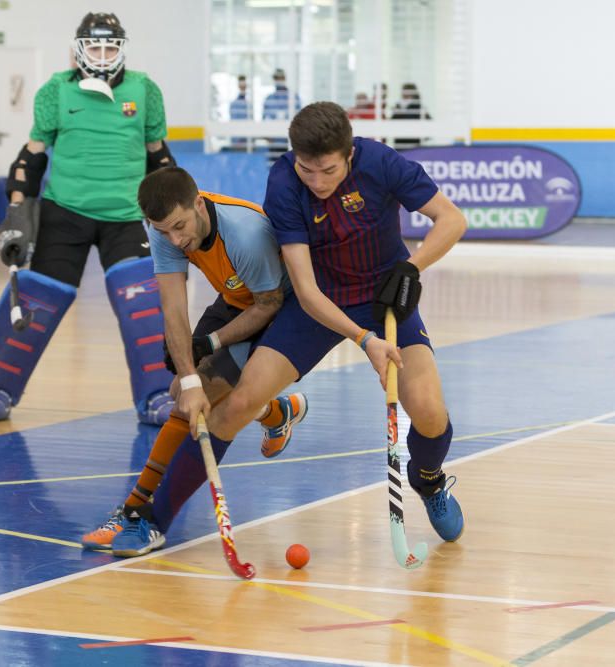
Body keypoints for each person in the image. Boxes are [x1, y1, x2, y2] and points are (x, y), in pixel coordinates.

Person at [109, 101, 468, 557]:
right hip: (316, 303)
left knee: (429, 410)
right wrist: (364, 341)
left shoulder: (381, 162)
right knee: (237, 403)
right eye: (306, 170)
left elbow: (452, 220)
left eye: (328, 171)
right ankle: (154, 522)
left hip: (384, 298)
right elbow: (304, 287)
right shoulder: (284, 183)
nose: (316, 183)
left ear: (350, 155)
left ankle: (429, 480)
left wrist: (411, 268)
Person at [0, 12, 178, 426]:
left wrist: (178, 214)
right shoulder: (55, 91)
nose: (102, 53)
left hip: (127, 217)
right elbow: (31, 157)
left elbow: (159, 156)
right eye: (94, 46)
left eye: (110, 46)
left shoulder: (144, 90)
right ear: (78, 50)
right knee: (39, 300)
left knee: (144, 306)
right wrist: (17, 213)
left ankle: (157, 397)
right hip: (65, 214)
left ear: (122, 48)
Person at [81, 166, 309, 554]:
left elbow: (268, 305)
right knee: (182, 392)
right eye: (163, 230)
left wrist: (211, 343)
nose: (175, 239)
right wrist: (188, 376)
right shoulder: (164, 229)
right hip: (236, 301)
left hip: (280, 307)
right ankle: (275, 413)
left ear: (199, 205)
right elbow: (172, 308)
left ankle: (135, 510)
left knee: (202, 398)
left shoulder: (245, 233)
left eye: (179, 226)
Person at [390, 82, 431, 150]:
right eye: (403, 91)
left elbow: (428, 125)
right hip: (399, 143)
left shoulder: (418, 106)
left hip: (413, 144)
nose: (404, 94)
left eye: (407, 91)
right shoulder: (398, 106)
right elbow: (392, 122)